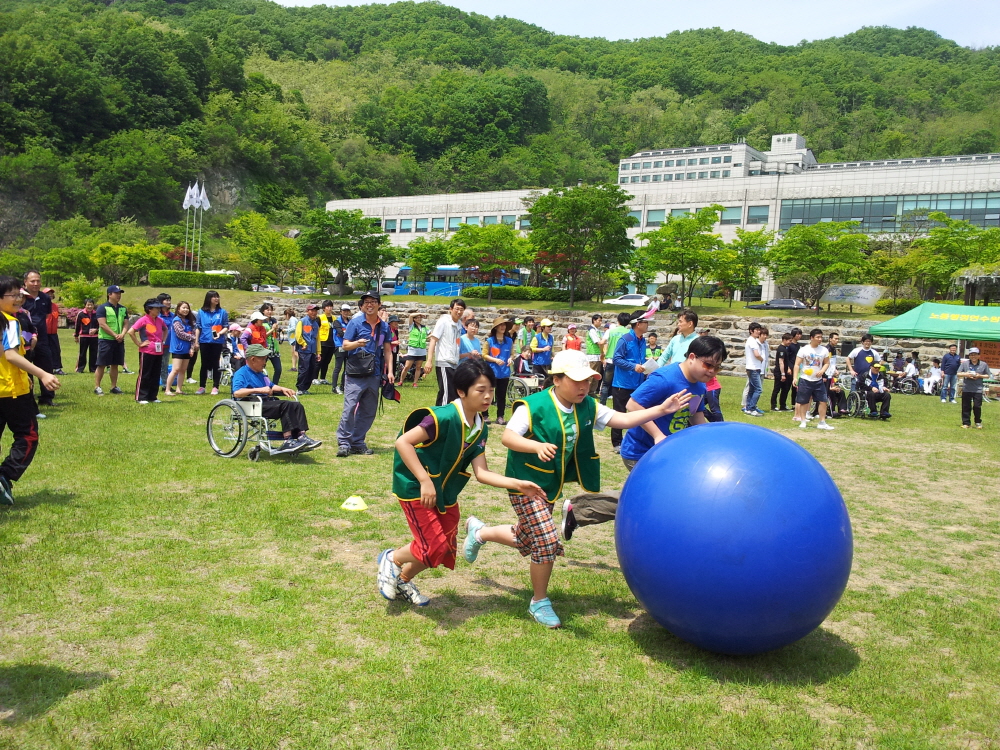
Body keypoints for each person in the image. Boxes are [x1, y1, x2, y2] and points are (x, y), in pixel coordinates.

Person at [461, 350, 694, 629]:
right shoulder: (533, 406)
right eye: (577, 381)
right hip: (525, 485)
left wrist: (661, 410)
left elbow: (621, 419)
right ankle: (539, 601)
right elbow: (509, 437)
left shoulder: (589, 406)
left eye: (589, 380)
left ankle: (480, 532)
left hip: (550, 486)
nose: (585, 386)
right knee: (546, 541)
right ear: (556, 379)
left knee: (527, 538)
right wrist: (536, 446)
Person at [376, 359, 544, 607]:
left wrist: (518, 483)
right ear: (461, 392)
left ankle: (402, 579)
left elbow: (482, 473)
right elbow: (403, 443)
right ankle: (392, 559)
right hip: (416, 489)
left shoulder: (479, 429)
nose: (488, 397)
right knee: (431, 544)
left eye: (490, 390)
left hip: (444, 493)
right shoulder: (441, 418)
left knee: (443, 547)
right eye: (481, 390)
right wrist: (424, 480)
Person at [560, 335, 728, 540]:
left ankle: (578, 512)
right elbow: (632, 406)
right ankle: (580, 511)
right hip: (641, 451)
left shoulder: (700, 385)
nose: (711, 371)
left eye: (717, 368)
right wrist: (658, 435)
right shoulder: (665, 378)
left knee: (657, 497)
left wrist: (714, 442)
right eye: (708, 364)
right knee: (655, 498)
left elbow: (695, 415)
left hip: (669, 454)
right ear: (692, 356)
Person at [0, 275, 61, 506]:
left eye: (19, 294)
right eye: (13, 295)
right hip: (12, 391)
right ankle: (4, 475)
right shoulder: (10, 322)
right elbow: (11, 355)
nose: (18, 299)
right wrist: (43, 374)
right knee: (27, 435)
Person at [231, 344, 322, 454]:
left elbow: (271, 386)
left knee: (296, 405)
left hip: (266, 403)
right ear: (253, 359)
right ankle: (288, 440)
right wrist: (260, 390)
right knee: (285, 405)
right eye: (263, 359)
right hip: (253, 404)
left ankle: (301, 436)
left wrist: (283, 389)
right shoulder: (241, 373)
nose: (265, 362)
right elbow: (237, 393)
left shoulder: (261, 373)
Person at [337, 292, 394, 457]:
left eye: (373, 302)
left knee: (368, 410)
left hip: (374, 373)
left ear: (379, 304)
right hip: (356, 373)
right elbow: (345, 345)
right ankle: (344, 443)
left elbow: (388, 350)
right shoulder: (355, 323)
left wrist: (390, 371)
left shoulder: (384, 326)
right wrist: (357, 343)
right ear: (362, 306)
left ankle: (357, 442)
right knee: (349, 408)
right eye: (366, 302)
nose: (370, 305)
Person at [611, 314, 648, 452]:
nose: (648, 325)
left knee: (638, 414)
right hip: (622, 384)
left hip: (638, 383)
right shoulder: (625, 339)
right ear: (638, 324)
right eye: (646, 322)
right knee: (619, 414)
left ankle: (634, 440)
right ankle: (617, 443)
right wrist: (633, 366)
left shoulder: (642, 340)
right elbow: (616, 359)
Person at [20, 271, 55, 409]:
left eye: (38, 281)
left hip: (42, 338)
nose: (35, 284)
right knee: (26, 368)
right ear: (25, 282)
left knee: (46, 366)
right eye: (32, 281)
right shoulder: (20, 297)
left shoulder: (45, 298)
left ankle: (47, 397)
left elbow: (46, 315)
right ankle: (27, 398)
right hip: (24, 339)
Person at [424, 298, 465, 407]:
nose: (459, 312)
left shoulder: (459, 324)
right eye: (457, 309)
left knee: (453, 393)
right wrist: (429, 361)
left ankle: (441, 417)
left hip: (454, 363)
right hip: (444, 362)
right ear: (451, 309)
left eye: (461, 309)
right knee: (447, 394)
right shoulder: (443, 321)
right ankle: (441, 419)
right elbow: (433, 340)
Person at [793, 328, 834, 431]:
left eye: (821, 337)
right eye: (818, 337)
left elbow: (827, 363)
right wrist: (795, 377)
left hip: (818, 380)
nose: (820, 339)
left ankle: (822, 422)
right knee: (803, 401)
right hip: (805, 378)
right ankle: (803, 420)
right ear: (812, 338)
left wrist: (822, 371)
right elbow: (797, 364)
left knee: (823, 400)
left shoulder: (824, 350)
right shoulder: (804, 349)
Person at [127, 298, 167, 404]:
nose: (159, 310)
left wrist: (163, 340)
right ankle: (141, 397)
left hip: (158, 351)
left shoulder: (160, 320)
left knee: (155, 374)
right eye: (156, 308)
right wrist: (139, 343)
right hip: (147, 351)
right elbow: (131, 331)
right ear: (149, 309)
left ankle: (153, 396)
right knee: (145, 374)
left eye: (159, 308)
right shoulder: (143, 320)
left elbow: (165, 329)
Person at [94, 285, 128, 396]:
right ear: (109, 294)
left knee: (115, 364)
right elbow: (102, 324)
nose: (119, 295)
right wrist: (114, 335)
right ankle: (97, 386)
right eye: (116, 293)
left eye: (120, 293)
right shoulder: (102, 308)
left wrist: (122, 334)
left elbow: (126, 323)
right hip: (106, 340)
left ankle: (113, 386)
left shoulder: (123, 308)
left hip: (119, 340)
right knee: (102, 364)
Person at [195, 291, 228, 396]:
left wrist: (220, 333)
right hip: (204, 341)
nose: (216, 299)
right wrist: (196, 341)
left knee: (215, 364)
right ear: (208, 299)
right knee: (204, 364)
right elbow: (198, 327)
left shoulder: (222, 312)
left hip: (217, 342)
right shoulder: (201, 312)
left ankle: (215, 386)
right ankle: (202, 386)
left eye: (217, 297)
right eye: (214, 297)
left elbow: (226, 326)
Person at [164, 301, 197, 396]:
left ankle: (179, 389)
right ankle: (167, 389)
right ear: (178, 309)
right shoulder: (176, 320)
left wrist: (191, 348)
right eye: (183, 308)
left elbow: (192, 333)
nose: (186, 310)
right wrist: (195, 338)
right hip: (177, 349)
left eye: (187, 308)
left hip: (186, 349)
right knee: (176, 369)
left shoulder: (189, 321)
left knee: (183, 370)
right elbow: (180, 334)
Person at [484, 317, 513, 425]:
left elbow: (512, 354)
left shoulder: (509, 341)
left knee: (501, 396)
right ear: (495, 327)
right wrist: (495, 360)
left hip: (504, 372)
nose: (503, 327)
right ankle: (485, 415)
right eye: (500, 325)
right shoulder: (489, 341)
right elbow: (484, 355)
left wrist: (511, 358)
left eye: (504, 325)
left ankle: (500, 416)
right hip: (492, 371)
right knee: (488, 394)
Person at [600, 312, 629, 406]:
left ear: (618, 320)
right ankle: (618, 405)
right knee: (619, 384)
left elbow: (602, 342)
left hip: (610, 360)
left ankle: (602, 405)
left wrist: (602, 354)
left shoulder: (610, 331)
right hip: (623, 361)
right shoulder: (629, 332)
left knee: (606, 384)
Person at [958, 347, 992, 429]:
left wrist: (979, 375)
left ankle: (978, 422)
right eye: (971, 355)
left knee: (977, 406)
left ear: (979, 356)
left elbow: (988, 375)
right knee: (966, 406)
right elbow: (958, 373)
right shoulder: (965, 364)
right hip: (967, 388)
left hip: (978, 389)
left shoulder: (983, 364)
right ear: (969, 356)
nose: (973, 356)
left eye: (975, 355)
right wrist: (966, 374)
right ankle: (966, 423)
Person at [293, 304, 320, 395]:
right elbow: (298, 335)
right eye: (312, 310)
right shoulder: (302, 321)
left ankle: (305, 388)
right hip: (304, 350)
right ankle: (300, 388)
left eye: (315, 311)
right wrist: (303, 343)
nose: (314, 312)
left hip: (312, 351)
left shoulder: (316, 324)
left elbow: (318, 339)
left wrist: (319, 352)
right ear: (307, 311)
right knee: (304, 369)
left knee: (311, 370)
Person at [742, 324, 768, 416]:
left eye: (759, 329)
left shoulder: (752, 341)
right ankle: (752, 408)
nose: (758, 331)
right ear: (751, 331)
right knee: (758, 389)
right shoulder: (752, 341)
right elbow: (756, 354)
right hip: (753, 367)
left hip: (753, 367)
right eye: (756, 330)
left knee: (752, 389)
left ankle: (748, 407)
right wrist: (762, 359)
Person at [398, 312, 428, 388]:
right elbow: (410, 315)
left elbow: (432, 333)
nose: (419, 319)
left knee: (418, 367)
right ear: (414, 319)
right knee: (407, 366)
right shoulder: (412, 326)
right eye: (417, 317)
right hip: (412, 350)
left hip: (421, 350)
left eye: (420, 318)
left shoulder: (424, 327)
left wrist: (425, 338)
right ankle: (401, 381)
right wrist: (420, 313)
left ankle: (415, 382)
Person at [258, 303, 283, 385]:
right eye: (267, 310)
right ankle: (260, 384)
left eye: (271, 310)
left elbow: (275, 335)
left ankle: (274, 385)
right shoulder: (261, 321)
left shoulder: (273, 320)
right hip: (265, 348)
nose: (269, 312)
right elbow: (263, 335)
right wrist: (272, 329)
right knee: (261, 368)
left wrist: (277, 330)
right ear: (263, 311)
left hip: (274, 349)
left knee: (278, 369)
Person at [41, 288, 64, 375]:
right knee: (45, 351)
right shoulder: (41, 305)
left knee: (56, 350)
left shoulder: (55, 306)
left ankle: (57, 368)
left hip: (53, 333)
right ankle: (45, 368)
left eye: (51, 294)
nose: (50, 295)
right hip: (44, 332)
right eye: (47, 293)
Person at [74, 299, 99, 374]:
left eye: (91, 304)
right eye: (88, 304)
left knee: (94, 353)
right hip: (84, 336)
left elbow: (100, 325)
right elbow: (77, 325)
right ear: (85, 305)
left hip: (94, 337)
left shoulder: (97, 314)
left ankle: (93, 369)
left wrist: (96, 330)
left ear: (93, 305)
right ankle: (80, 368)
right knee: (82, 353)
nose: (90, 306)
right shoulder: (81, 314)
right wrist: (76, 335)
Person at [316, 300, 337, 385]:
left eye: (331, 306)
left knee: (327, 362)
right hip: (322, 342)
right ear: (324, 308)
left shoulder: (334, 318)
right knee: (319, 361)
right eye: (327, 306)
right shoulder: (320, 318)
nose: (329, 308)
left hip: (331, 343)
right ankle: (314, 378)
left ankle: (322, 378)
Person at [770, 333, 793, 411]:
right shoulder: (781, 349)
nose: (790, 342)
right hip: (780, 372)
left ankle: (783, 405)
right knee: (777, 389)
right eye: (789, 340)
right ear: (784, 340)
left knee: (785, 389)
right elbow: (781, 362)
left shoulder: (786, 348)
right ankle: (773, 405)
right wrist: (783, 374)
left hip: (786, 372)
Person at [157, 293, 174, 387]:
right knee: (156, 363)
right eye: (166, 300)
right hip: (158, 344)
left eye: (169, 300)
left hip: (168, 344)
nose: (169, 302)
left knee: (165, 364)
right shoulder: (158, 316)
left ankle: (164, 384)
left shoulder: (172, 315)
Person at [584, 314, 605, 384]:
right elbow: (598, 342)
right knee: (591, 376)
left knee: (596, 376)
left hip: (598, 355)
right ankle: (588, 391)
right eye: (599, 320)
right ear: (594, 320)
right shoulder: (592, 330)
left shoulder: (597, 331)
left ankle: (592, 392)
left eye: (601, 321)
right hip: (593, 356)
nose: (600, 322)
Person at [283, 308, 300, 372]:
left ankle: (303, 365)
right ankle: (293, 367)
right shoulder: (292, 319)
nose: (285, 317)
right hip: (292, 339)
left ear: (287, 314)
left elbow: (294, 328)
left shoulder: (292, 319)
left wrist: (286, 330)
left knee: (296, 353)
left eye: (285, 315)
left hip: (295, 338)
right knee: (293, 353)